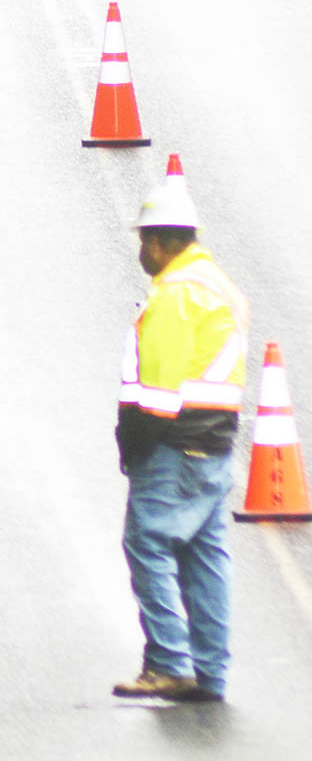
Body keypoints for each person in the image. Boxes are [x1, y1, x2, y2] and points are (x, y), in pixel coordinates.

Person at [113, 171, 250, 703]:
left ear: (158, 242)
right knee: (205, 553)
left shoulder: (176, 295)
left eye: (143, 241)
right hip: (215, 445)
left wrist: (134, 446)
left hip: (174, 445)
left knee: (147, 543)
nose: (141, 252)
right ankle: (211, 671)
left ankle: (170, 662)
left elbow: (160, 392)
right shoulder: (218, 284)